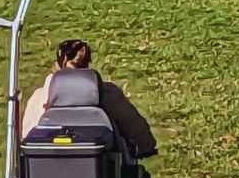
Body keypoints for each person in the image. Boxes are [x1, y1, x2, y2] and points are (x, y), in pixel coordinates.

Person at [22, 39, 157, 159]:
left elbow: (28, 132)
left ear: (57, 64)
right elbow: (132, 122)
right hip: (99, 170)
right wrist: (146, 146)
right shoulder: (106, 93)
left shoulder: (40, 96)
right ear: (87, 64)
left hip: (44, 164)